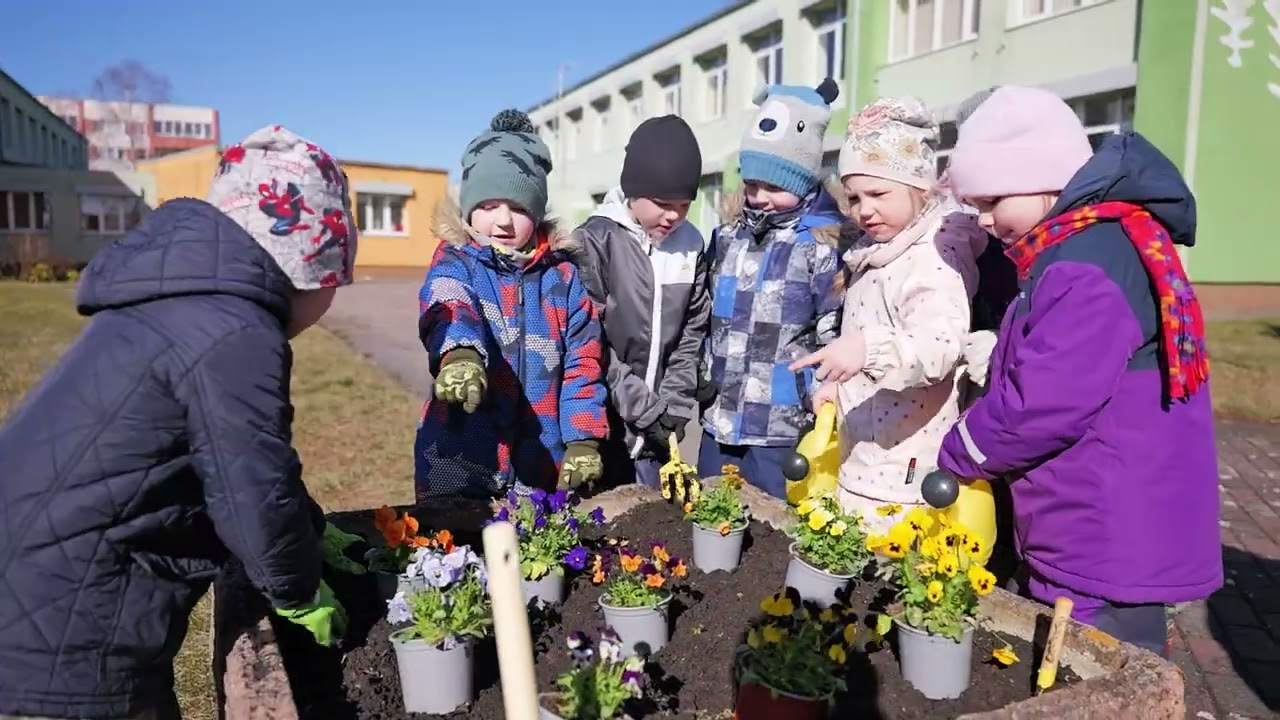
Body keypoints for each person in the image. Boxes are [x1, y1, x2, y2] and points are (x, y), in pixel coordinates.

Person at [0, 126, 359, 720]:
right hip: (65, 632)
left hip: (34, 585)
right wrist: (298, 589)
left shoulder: (184, 303)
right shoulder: (235, 331)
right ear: (311, 264)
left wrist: (313, 527)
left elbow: (228, 458)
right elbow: (253, 493)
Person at [936, 85, 1221, 657]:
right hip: (1107, 517)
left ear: (1041, 179)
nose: (985, 222)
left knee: (1100, 665)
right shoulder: (1089, 245)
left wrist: (962, 450)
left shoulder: (1084, 265)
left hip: (1105, 532)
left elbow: (1043, 402)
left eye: (992, 201)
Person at [797, 97, 986, 534]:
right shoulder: (877, 253)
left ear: (920, 189)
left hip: (904, 475)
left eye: (879, 194)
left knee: (889, 579)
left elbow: (938, 348)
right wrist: (838, 388)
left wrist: (867, 350)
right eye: (855, 197)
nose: (864, 210)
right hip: (866, 455)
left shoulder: (933, 261)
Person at [415, 109, 609, 500]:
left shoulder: (564, 279)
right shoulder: (458, 262)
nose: (502, 221)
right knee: (454, 555)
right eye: (488, 206)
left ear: (536, 213)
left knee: (537, 558)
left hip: (539, 462)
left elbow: (583, 363)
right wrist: (461, 353)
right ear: (469, 207)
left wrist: (583, 440)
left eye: (518, 208)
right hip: (460, 457)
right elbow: (448, 301)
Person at [698, 78, 855, 499]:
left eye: (774, 187)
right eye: (752, 186)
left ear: (803, 182)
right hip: (721, 416)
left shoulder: (821, 245)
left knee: (772, 529)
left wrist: (822, 390)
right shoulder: (728, 238)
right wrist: (702, 375)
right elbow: (707, 316)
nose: (760, 197)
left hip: (782, 422)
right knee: (711, 514)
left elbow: (831, 324)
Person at [564, 116, 710, 488]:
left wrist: (674, 406)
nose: (673, 215)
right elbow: (588, 341)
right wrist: (642, 408)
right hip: (603, 423)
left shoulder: (691, 246)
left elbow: (692, 332)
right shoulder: (595, 242)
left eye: (684, 204)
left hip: (658, 431)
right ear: (632, 189)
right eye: (662, 203)